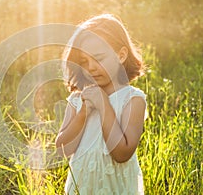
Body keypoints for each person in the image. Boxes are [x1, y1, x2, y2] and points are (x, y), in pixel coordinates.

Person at [55, 14, 147, 194]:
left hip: (117, 189)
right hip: (82, 188)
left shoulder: (132, 100)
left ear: (121, 55)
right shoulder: (78, 99)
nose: (91, 67)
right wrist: (83, 114)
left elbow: (122, 154)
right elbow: (62, 150)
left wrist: (103, 105)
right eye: (84, 62)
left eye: (98, 59)